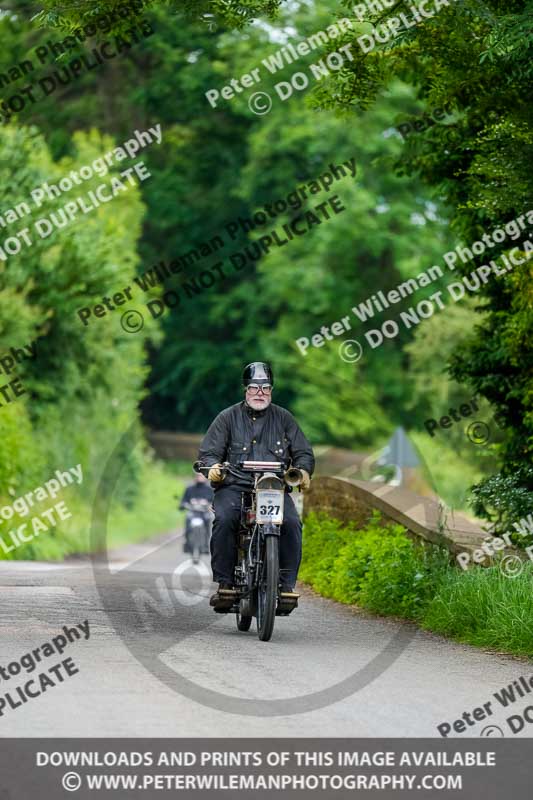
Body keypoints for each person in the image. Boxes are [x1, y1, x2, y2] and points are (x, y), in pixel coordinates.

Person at [197, 361, 315, 607]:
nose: (260, 393)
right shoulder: (227, 417)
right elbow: (208, 454)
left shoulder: (285, 418)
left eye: (265, 388)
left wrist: (303, 470)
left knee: (292, 523)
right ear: (245, 389)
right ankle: (225, 584)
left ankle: (285, 586)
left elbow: (303, 452)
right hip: (234, 485)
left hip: (273, 487)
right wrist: (214, 469)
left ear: (271, 390)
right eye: (254, 387)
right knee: (225, 519)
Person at [179, 472, 214, 554]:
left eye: (201, 476)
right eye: (198, 476)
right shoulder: (189, 489)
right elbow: (183, 500)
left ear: (205, 477)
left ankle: (205, 545)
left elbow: (213, 501)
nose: (199, 477)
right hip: (192, 512)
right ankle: (187, 543)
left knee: (208, 522)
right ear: (195, 477)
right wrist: (184, 505)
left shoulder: (209, 490)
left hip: (204, 513)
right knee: (188, 520)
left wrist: (207, 504)